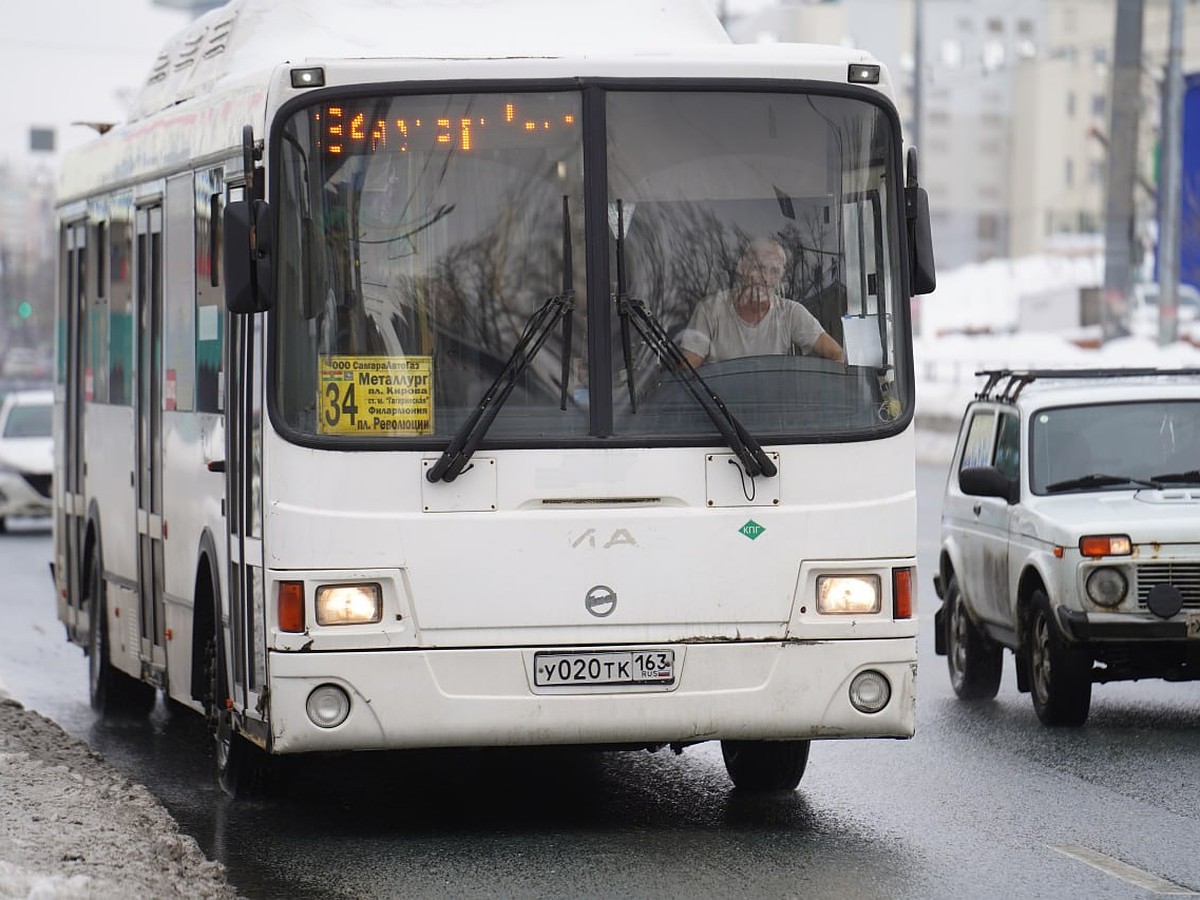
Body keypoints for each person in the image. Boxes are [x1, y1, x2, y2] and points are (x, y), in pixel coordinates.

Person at [678, 237, 845, 367]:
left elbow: (837, 355)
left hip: (772, 409)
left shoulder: (791, 313)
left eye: (774, 271)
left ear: (781, 276)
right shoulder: (710, 310)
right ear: (742, 268)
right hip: (717, 410)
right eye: (758, 268)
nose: (766, 278)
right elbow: (687, 371)